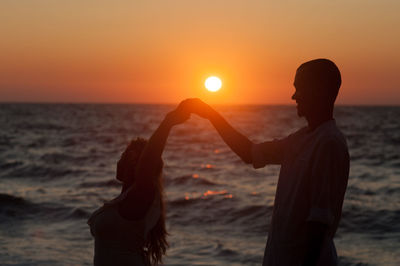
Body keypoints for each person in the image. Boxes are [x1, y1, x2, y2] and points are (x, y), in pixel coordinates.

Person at [182, 58, 349, 266]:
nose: (294, 96)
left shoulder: (329, 142)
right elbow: (249, 153)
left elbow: (319, 222)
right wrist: (210, 114)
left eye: (300, 88)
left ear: (319, 91)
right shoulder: (300, 139)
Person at [88, 104, 190, 265]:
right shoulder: (127, 198)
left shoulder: (141, 196)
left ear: (137, 163)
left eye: (125, 154)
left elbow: (148, 163)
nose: (119, 159)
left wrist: (168, 123)